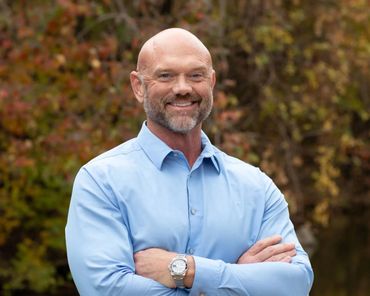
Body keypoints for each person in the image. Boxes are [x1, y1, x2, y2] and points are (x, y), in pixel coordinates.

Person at [65, 28, 314, 295]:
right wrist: (238, 278)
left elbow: (295, 284)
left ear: (212, 82)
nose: (183, 88)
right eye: (166, 75)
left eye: (196, 75)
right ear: (138, 86)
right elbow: (107, 289)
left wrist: (187, 270)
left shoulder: (256, 187)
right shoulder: (101, 182)